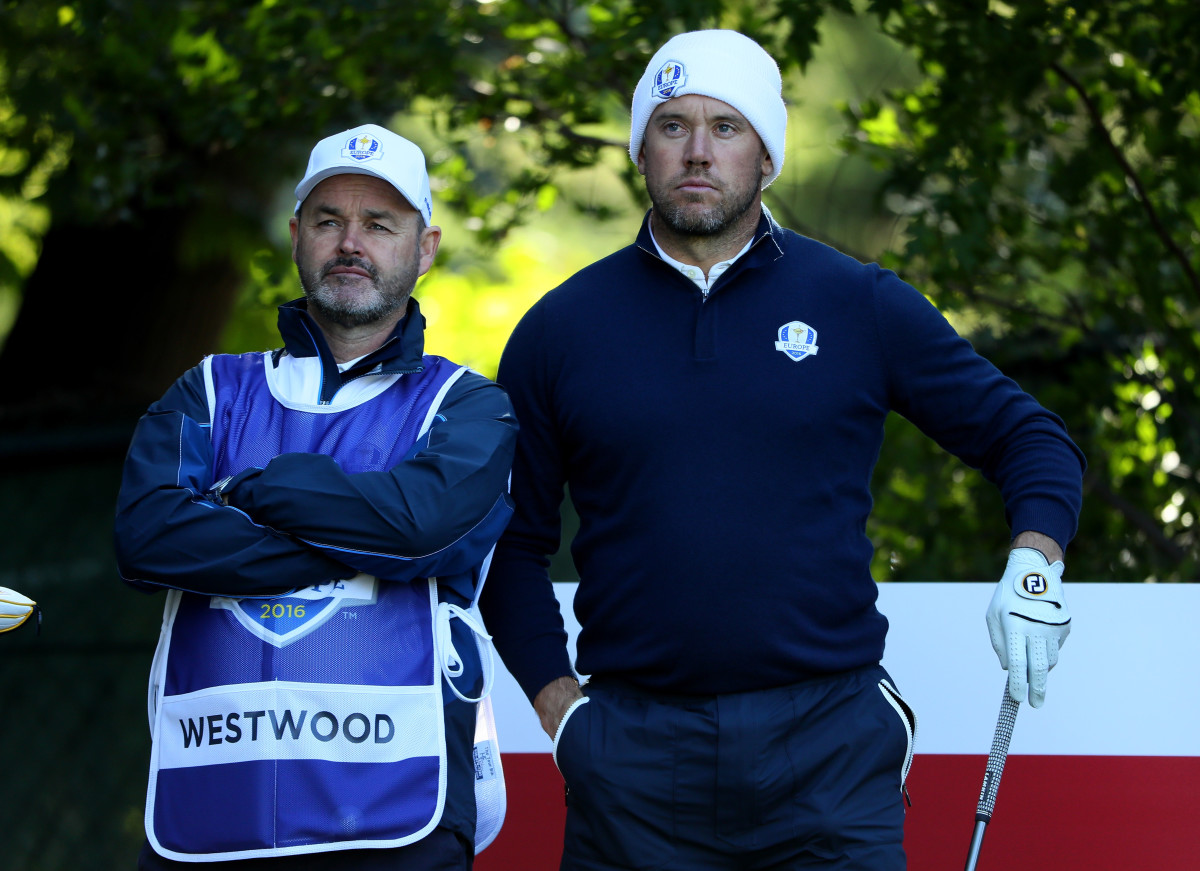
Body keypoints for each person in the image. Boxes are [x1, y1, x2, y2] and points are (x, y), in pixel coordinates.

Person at [479, 29, 1085, 871]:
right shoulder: (561, 330)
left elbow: (1028, 437)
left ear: (767, 156)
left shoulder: (855, 301)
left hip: (829, 753)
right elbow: (509, 544)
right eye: (672, 125)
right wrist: (563, 711)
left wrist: (1034, 563)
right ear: (641, 152)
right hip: (634, 761)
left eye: (726, 127)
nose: (698, 151)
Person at [114, 123, 517, 870]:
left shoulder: (467, 405)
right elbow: (146, 539)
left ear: (424, 248)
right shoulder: (210, 388)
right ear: (297, 236)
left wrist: (252, 490)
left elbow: (420, 529)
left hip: (397, 816)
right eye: (329, 221)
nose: (350, 243)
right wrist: (364, 546)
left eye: (379, 224)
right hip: (211, 814)